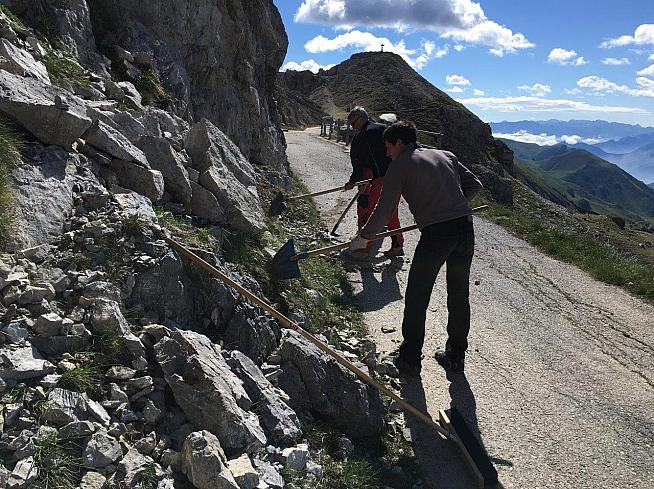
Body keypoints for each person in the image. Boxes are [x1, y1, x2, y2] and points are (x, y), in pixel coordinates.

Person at [350, 121, 483, 376]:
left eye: (388, 147)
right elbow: (475, 184)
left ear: (399, 143)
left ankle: (410, 358)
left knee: (417, 295)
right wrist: (453, 206)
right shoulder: (446, 155)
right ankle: (456, 357)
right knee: (458, 294)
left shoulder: (399, 165)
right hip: (465, 228)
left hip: (436, 235)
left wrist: (364, 236)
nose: (387, 153)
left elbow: (385, 209)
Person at [345, 106, 404, 260]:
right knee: (390, 210)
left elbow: (359, 162)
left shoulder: (364, 135)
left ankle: (364, 248)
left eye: (353, 124)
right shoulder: (383, 129)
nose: (353, 127)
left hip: (378, 177)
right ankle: (397, 245)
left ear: (361, 119)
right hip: (395, 174)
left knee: (373, 211)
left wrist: (353, 181)